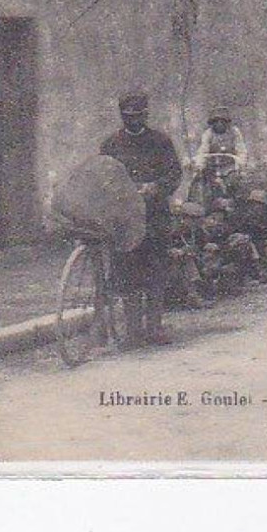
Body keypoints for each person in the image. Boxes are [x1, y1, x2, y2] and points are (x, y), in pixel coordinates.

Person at [99, 91, 183, 346]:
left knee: (156, 270)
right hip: (125, 219)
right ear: (121, 116)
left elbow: (174, 174)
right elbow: (103, 177)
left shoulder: (161, 141)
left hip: (155, 217)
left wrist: (156, 187)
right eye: (128, 116)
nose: (133, 120)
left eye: (138, 116)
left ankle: (155, 328)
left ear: (146, 115)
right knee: (128, 272)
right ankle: (133, 332)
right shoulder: (110, 145)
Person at [191, 106, 249, 204]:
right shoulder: (208, 134)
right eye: (216, 121)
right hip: (212, 167)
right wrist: (199, 164)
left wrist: (241, 162)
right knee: (200, 181)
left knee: (235, 182)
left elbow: (241, 149)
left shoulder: (234, 132)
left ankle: (236, 202)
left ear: (227, 122)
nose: (219, 124)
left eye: (222, 121)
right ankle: (202, 202)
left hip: (229, 167)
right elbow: (203, 150)